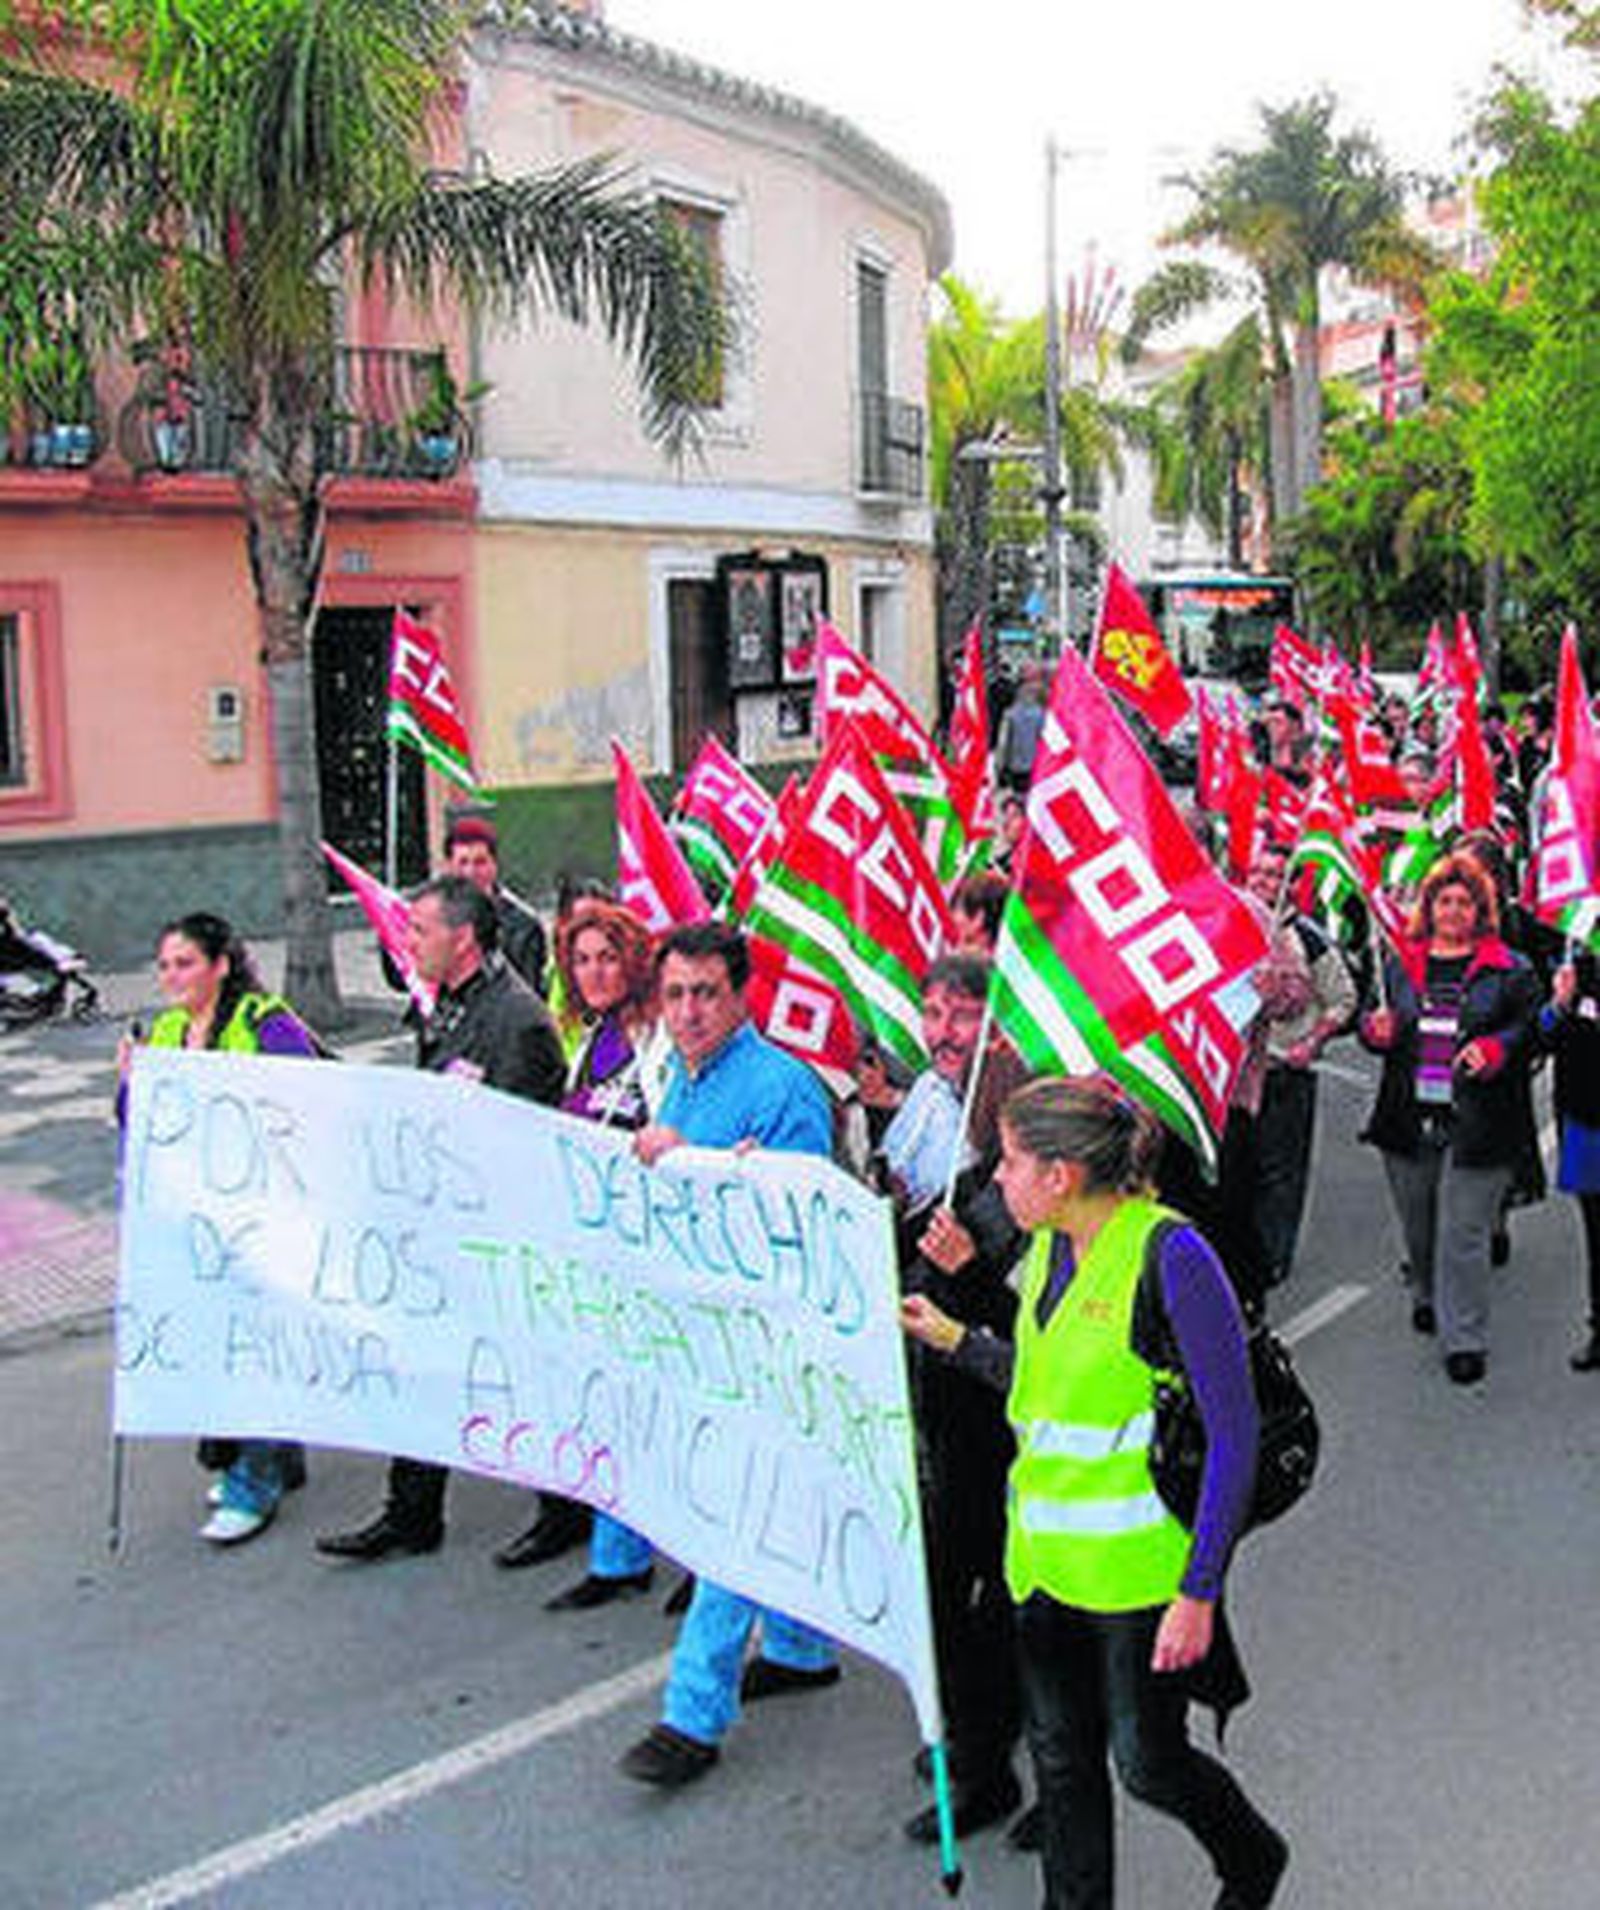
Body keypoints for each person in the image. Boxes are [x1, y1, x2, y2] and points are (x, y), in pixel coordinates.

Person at [902, 1076, 1287, 1910]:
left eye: (1010, 1162)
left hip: (1138, 1578)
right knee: (1061, 1764)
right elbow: (1043, 1390)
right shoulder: (1046, 1251)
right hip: (1040, 1566)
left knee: (1146, 1763)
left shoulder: (1171, 1256)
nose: (996, 1179)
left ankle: (1252, 1857)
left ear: (1061, 1175)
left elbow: (1234, 1434)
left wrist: (1200, 1589)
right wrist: (956, 1340)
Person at [617, 922, 840, 1789]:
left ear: (741, 995)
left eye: (706, 993)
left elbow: (802, 1215)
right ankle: (797, 1644)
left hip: (768, 1345)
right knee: (751, 1505)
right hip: (700, 1336)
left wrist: (698, 1164)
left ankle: (691, 1714)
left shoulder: (784, 1089)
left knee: (731, 1522)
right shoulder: (677, 1077)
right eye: (674, 995)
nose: (688, 1011)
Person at [315, 876, 567, 1561]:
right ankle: (412, 1514)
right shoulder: (449, 1007)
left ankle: (564, 1508)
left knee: (521, 1384)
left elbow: (522, 1143)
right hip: (442, 1233)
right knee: (421, 1369)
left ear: (462, 939)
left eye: (420, 930)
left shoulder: (518, 1021)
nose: (408, 942)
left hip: (497, 1244)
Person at [879, 956, 1028, 1844]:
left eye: (961, 1015)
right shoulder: (931, 1107)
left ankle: (1025, 1773)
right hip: (947, 1408)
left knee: (1011, 1609)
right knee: (948, 1593)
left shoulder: (1033, 1135)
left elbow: (1059, 1312)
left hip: (1011, 1419)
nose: (940, 1032)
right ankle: (974, 1748)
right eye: (931, 1013)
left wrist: (978, 1272)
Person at [118, 912, 318, 1545]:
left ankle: (251, 1480)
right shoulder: (170, 1030)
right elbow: (138, 1124)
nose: (173, 976)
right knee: (221, 1347)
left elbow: (308, 1098)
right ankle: (275, 1456)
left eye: (186, 963)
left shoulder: (264, 1021)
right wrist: (131, 1083)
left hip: (260, 1220)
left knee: (246, 1353)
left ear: (221, 964)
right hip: (195, 1224)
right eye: (165, 965)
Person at [509, 899, 670, 1594]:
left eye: (607, 956)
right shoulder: (591, 1039)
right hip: (593, 1248)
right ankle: (619, 1555)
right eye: (581, 960)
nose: (595, 971)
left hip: (646, 1251)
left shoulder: (653, 1041)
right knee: (607, 1408)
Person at [1359, 853, 1539, 1385]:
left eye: (1464, 902)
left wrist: (1497, 1047)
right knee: (1421, 1230)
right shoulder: (1400, 964)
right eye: (1444, 900)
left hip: (1478, 1125)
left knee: (1463, 1233)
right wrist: (1376, 1030)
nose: (1454, 910)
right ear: (1429, 907)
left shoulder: (1511, 968)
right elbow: (1372, 1024)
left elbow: (1531, 1028)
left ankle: (1464, 1338)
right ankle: (1426, 1290)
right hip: (1408, 1119)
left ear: (1481, 910)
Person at [1216, 840, 1355, 1315]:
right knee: (1240, 1167)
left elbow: (1342, 1000)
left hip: (1286, 1070)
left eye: (1274, 875)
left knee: (1281, 1171)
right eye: (1256, 873)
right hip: (1237, 1077)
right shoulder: (1228, 924)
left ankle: (1275, 1255)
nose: (1263, 883)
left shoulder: (1307, 938)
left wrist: (1311, 1042)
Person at [1539, 953, 1600, 1371]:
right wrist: (1558, 1003)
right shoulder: (1579, 966)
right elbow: (1540, 1039)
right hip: (1585, 1121)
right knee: (1597, 1230)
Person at [442, 815, 548, 995]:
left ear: (495, 865)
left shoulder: (523, 926)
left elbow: (528, 996)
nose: (471, 872)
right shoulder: (431, 916)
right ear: (449, 867)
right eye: (463, 862)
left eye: (480, 862)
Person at [996, 669, 1047, 793]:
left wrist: (1000, 767)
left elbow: (1004, 743)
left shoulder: (1010, 715)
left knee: (1017, 799)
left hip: (1016, 768)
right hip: (1037, 767)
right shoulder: (1043, 715)